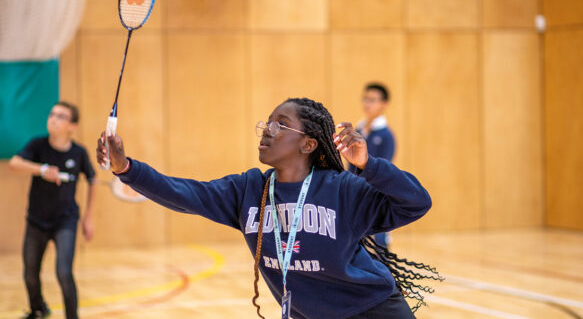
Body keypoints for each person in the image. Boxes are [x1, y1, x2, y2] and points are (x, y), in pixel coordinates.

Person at [97, 97, 439, 318]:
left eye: (280, 125)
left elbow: (416, 203)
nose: (266, 131)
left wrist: (369, 164)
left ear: (308, 143)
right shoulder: (248, 190)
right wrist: (126, 168)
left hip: (371, 311)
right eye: (266, 123)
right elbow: (185, 193)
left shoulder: (343, 190)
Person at [9, 101, 96, 319]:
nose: (53, 119)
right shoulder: (37, 146)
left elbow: (93, 180)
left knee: (64, 273)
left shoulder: (79, 153)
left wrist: (89, 218)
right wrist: (42, 169)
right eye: (52, 115)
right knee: (30, 272)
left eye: (60, 116)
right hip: (36, 220)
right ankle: (38, 310)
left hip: (65, 221)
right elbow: (14, 164)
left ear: (72, 126)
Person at [349, 82, 396, 250]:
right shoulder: (359, 130)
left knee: (379, 234)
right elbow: (351, 164)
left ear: (384, 104)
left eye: (373, 100)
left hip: (376, 191)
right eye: (365, 99)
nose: (367, 103)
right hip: (357, 190)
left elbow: (384, 166)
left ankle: (384, 270)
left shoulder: (386, 135)